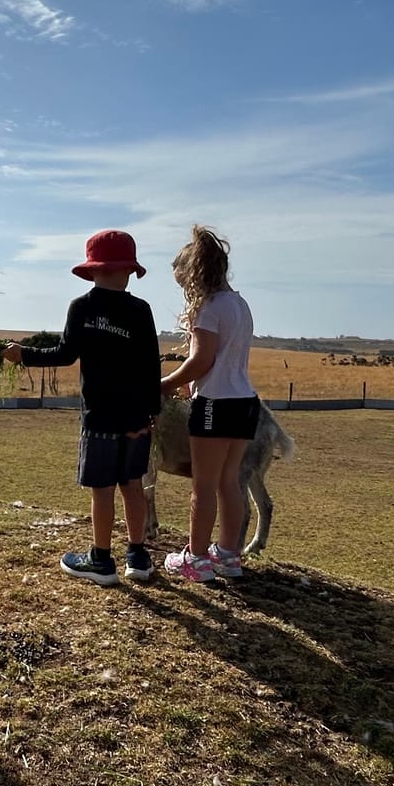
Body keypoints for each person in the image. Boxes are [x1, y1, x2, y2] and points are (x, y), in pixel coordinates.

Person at [4, 230, 162, 586]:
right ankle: (137, 556)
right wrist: (153, 410)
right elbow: (151, 365)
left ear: (92, 270)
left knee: (102, 490)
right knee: (132, 485)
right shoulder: (141, 310)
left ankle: (101, 560)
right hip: (136, 418)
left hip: (99, 419)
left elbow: (64, 354)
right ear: (129, 270)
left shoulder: (82, 307)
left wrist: (23, 355)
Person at [158, 225, 256, 581]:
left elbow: (202, 360)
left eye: (183, 282)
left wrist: (166, 384)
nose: (185, 290)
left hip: (216, 404)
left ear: (195, 273)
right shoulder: (240, 304)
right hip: (245, 402)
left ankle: (195, 559)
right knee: (229, 481)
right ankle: (228, 555)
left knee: (202, 485)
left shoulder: (209, 308)